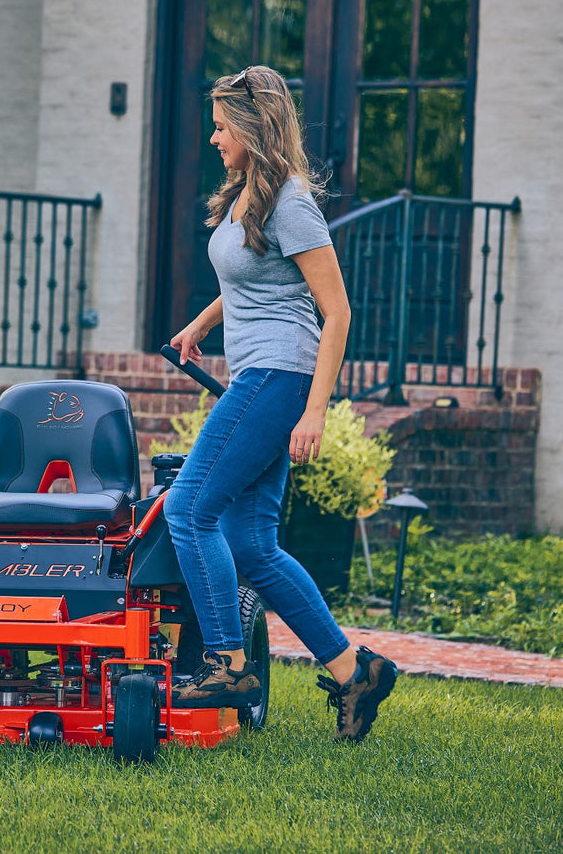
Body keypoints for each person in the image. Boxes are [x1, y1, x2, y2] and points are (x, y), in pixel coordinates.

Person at [164, 64, 397, 742]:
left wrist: (315, 409)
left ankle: (227, 662)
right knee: (249, 542)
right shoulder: (251, 196)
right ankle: (355, 671)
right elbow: (254, 280)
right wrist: (203, 323)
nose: (212, 137)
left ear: (250, 126)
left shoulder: (291, 200)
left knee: (187, 508)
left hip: (276, 377)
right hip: (262, 371)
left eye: (220, 124)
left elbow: (336, 311)